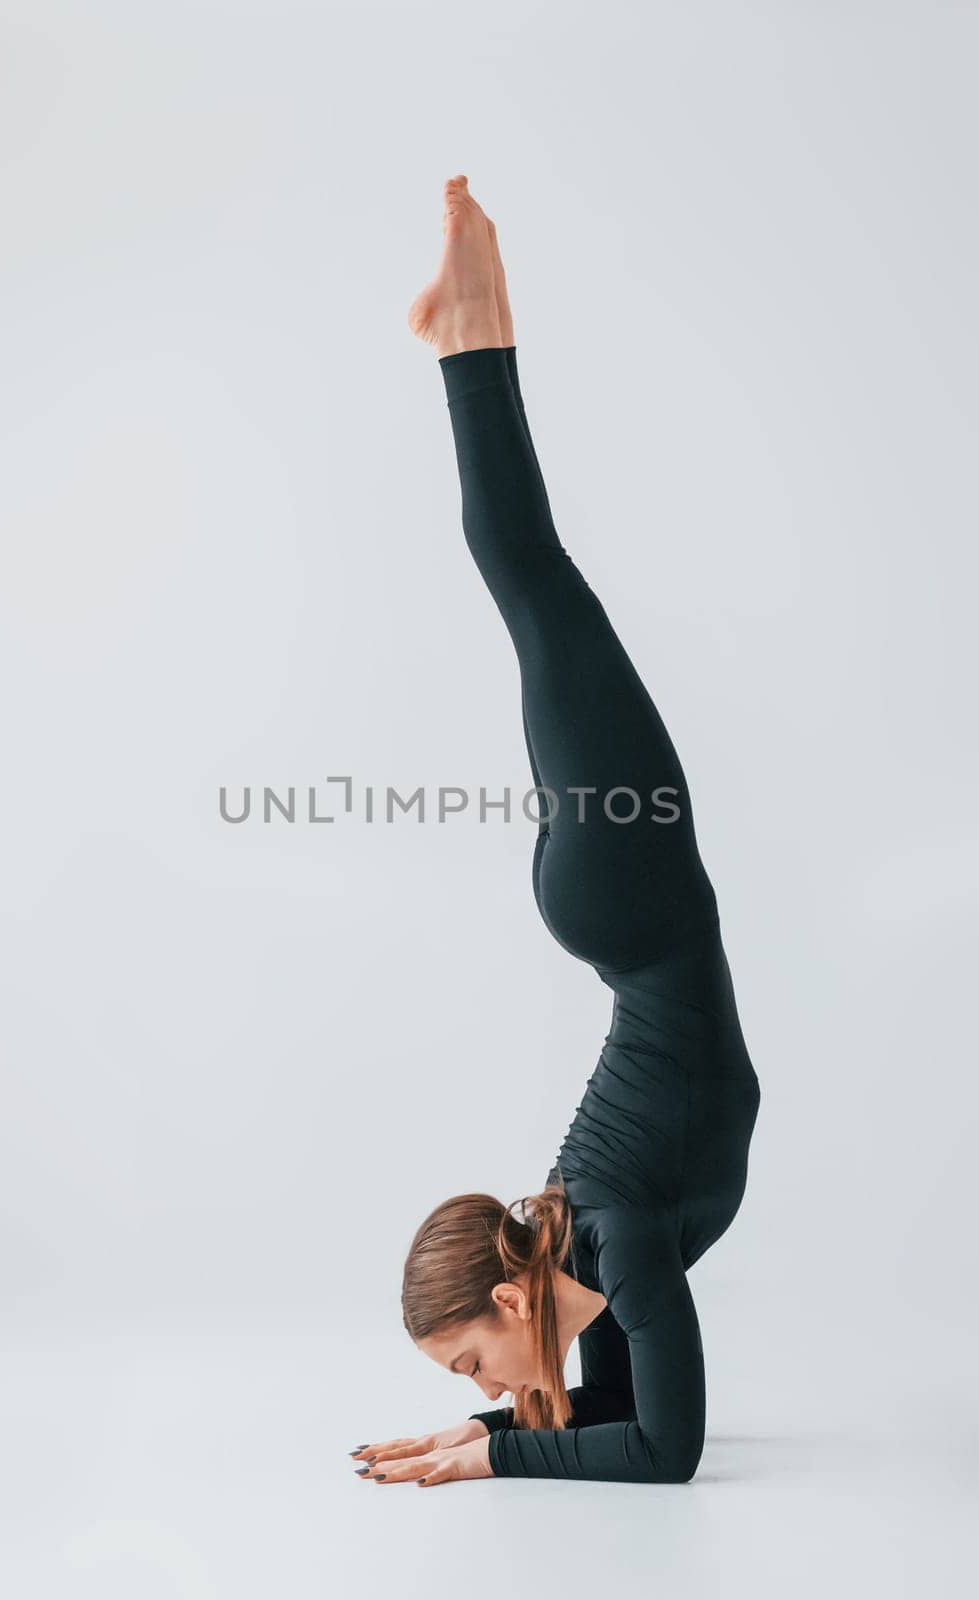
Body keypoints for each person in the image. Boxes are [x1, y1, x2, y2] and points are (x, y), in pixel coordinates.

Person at [350, 176, 761, 1489]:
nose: (488, 1385)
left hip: (630, 905)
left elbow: (666, 1456)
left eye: (472, 1365)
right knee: (538, 595)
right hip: (615, 908)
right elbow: (639, 1434)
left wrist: (496, 1456)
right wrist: (484, 1436)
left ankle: (473, 331)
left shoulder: (613, 1230)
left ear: (512, 1298)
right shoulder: (596, 1247)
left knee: (540, 587)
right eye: (468, 1381)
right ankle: (466, 333)